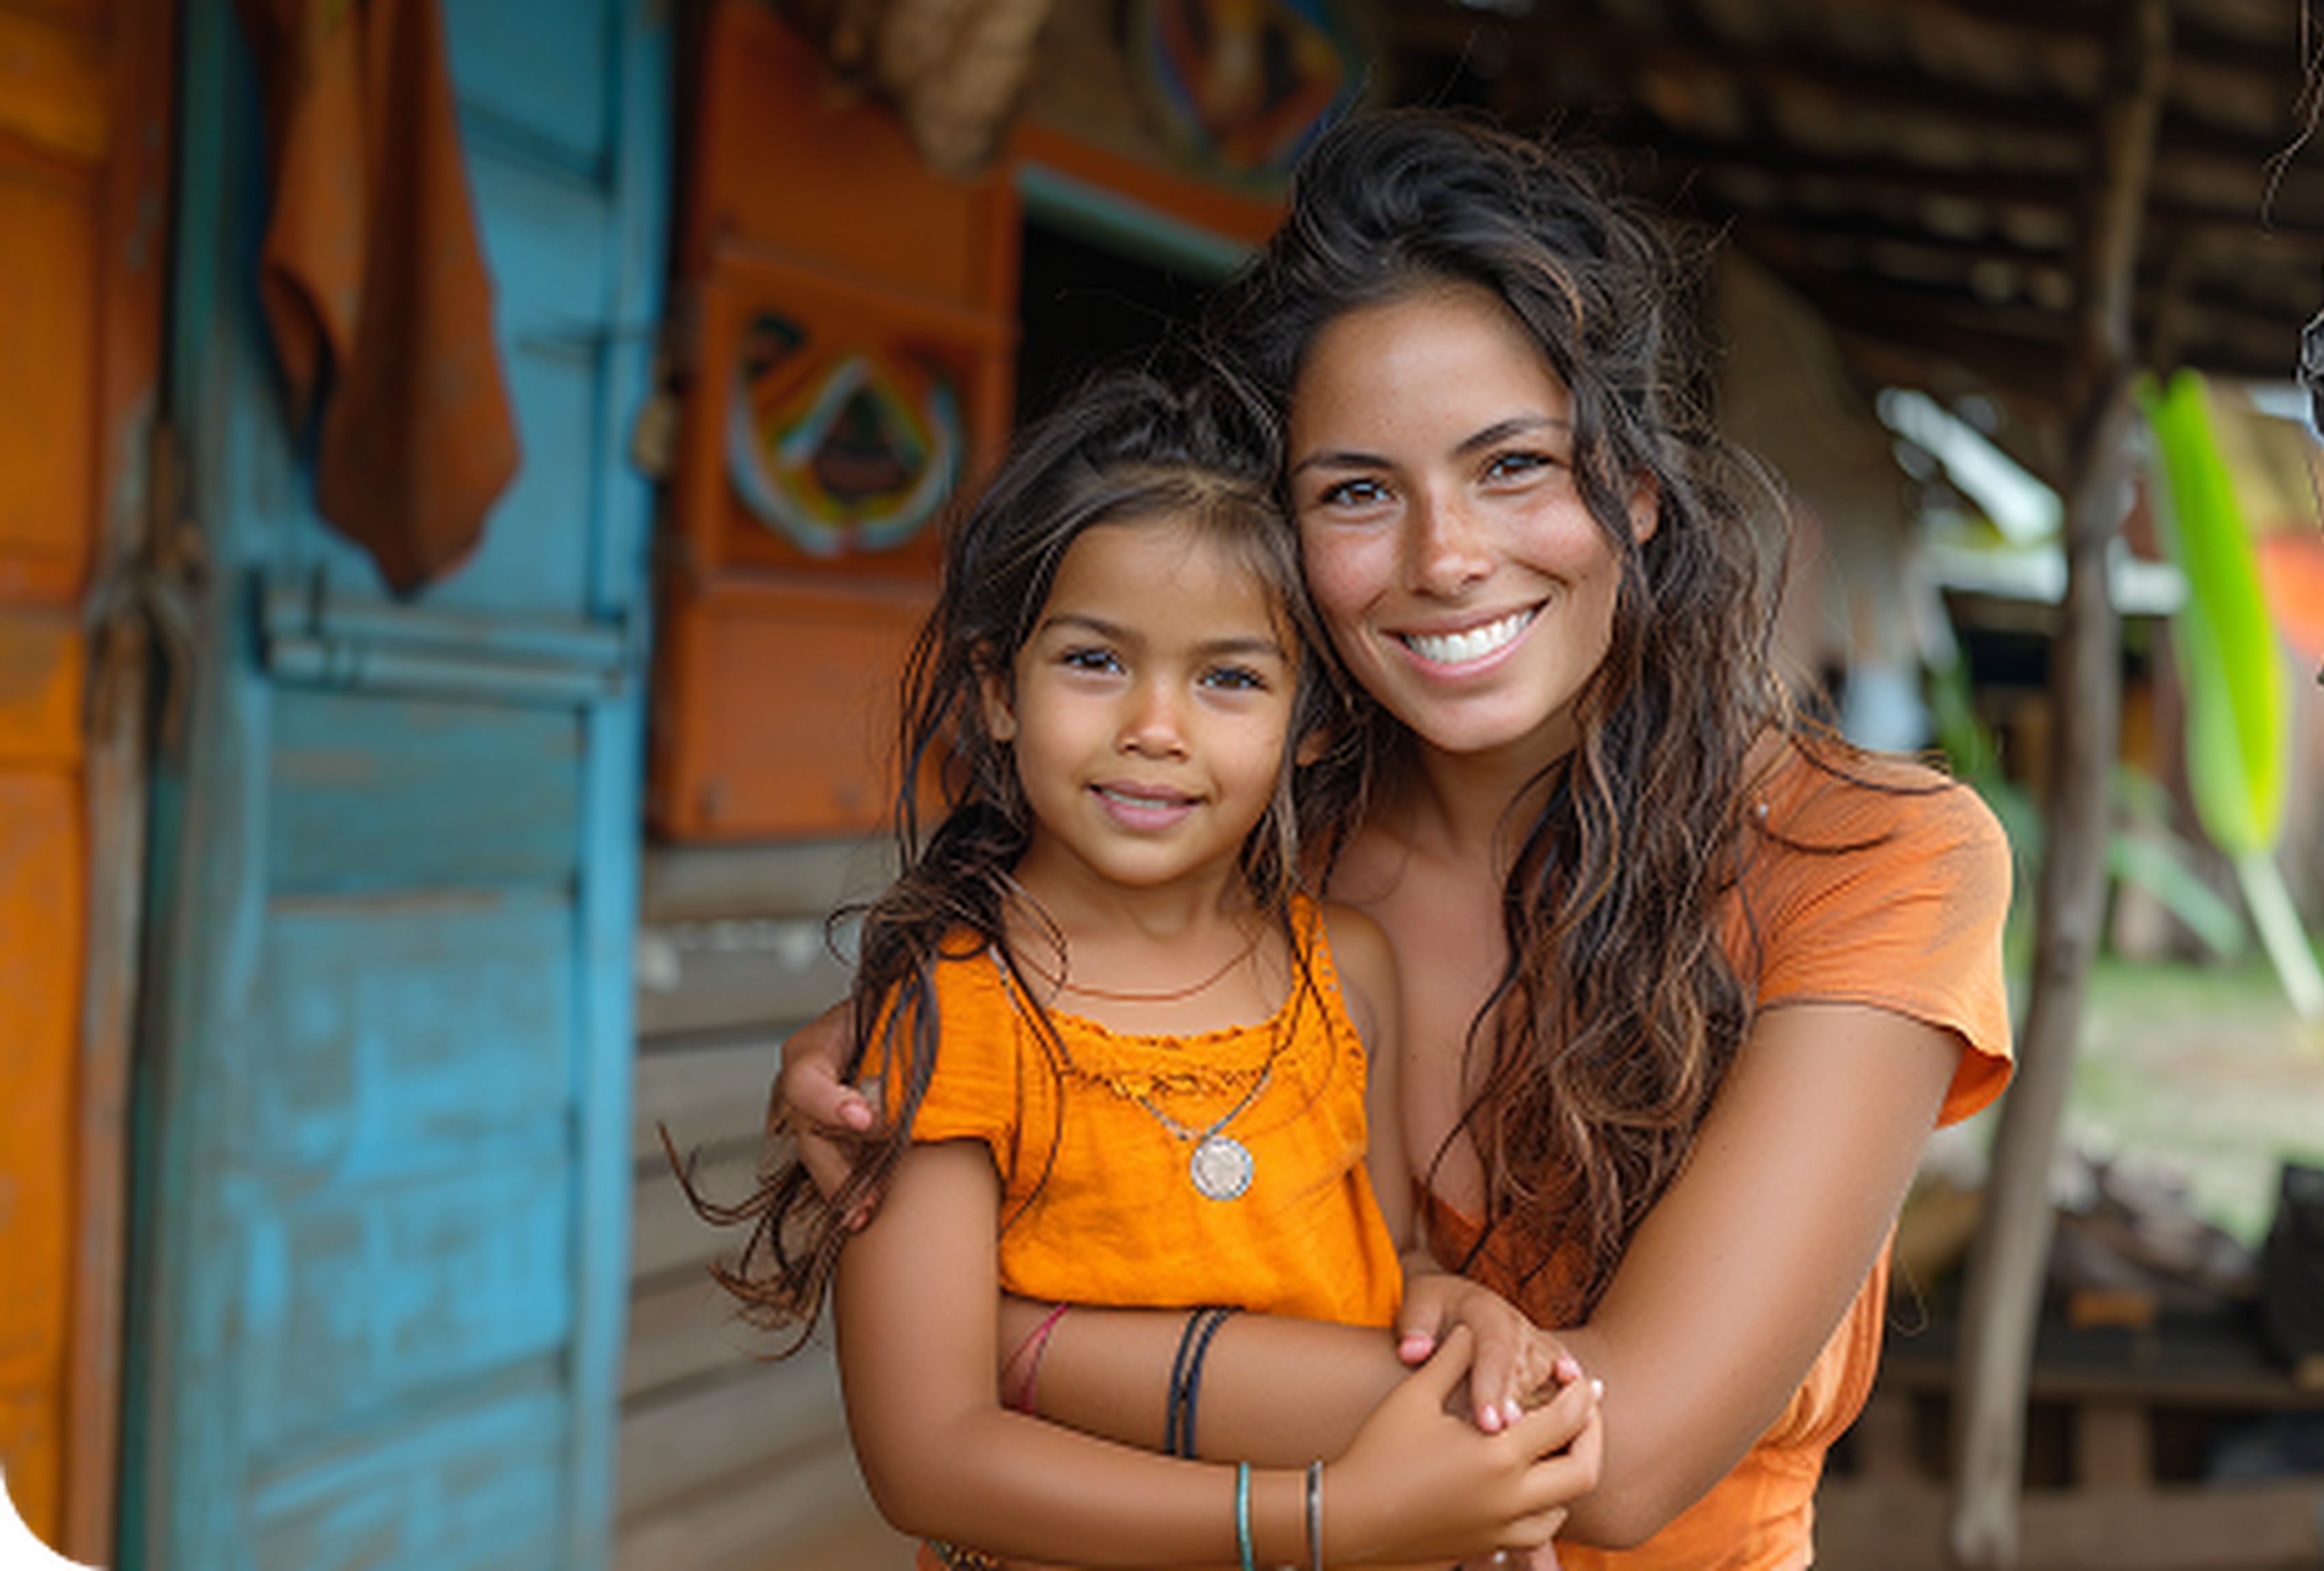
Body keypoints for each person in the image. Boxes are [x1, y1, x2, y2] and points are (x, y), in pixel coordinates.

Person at [776, 108, 2016, 1570]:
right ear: (1282, 536)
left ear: (1631, 487)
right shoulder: (1231, 837)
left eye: (1513, 467)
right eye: (1357, 491)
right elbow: (968, 1052)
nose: (1445, 560)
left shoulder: (1867, 857)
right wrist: (875, 1035)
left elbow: (1612, 1458)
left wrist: (1012, 1346)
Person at [686, 366, 1604, 1571]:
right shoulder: (948, 1018)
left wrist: (1454, 1308)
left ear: (1311, 723)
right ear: (994, 691)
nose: (1155, 727)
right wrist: (1328, 1517)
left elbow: (1392, 1257)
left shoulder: (1345, 971)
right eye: (1094, 661)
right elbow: (929, 1453)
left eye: (1229, 677)